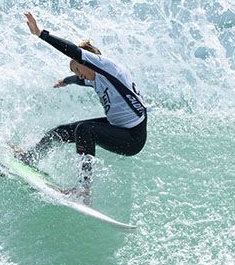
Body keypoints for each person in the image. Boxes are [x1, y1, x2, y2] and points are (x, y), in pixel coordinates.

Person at [18, 11, 147, 200]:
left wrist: (40, 34)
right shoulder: (95, 78)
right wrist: (66, 80)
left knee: (85, 130)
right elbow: (80, 81)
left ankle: (83, 189)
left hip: (132, 138)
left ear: (86, 61)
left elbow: (70, 49)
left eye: (77, 68)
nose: (78, 74)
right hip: (119, 127)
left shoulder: (108, 67)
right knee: (62, 131)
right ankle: (30, 157)